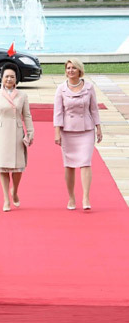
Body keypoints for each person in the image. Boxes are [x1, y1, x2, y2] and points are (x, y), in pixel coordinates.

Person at [54, 58, 102, 211]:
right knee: (69, 165)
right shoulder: (60, 89)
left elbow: (94, 109)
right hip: (68, 131)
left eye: (73, 68)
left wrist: (98, 127)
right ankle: (71, 197)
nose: (70, 71)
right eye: (68, 68)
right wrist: (57, 132)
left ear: (79, 70)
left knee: (86, 162)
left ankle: (86, 197)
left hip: (86, 130)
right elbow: (58, 112)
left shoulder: (89, 87)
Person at [0, 67, 34, 212]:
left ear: (16, 78)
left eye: (12, 77)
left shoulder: (22, 95)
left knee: (18, 168)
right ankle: (6, 198)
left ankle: (15, 191)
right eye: (6, 76)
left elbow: (27, 115)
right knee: (3, 167)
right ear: (1, 77)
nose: (9, 79)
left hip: (17, 133)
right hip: (1, 132)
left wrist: (30, 132)